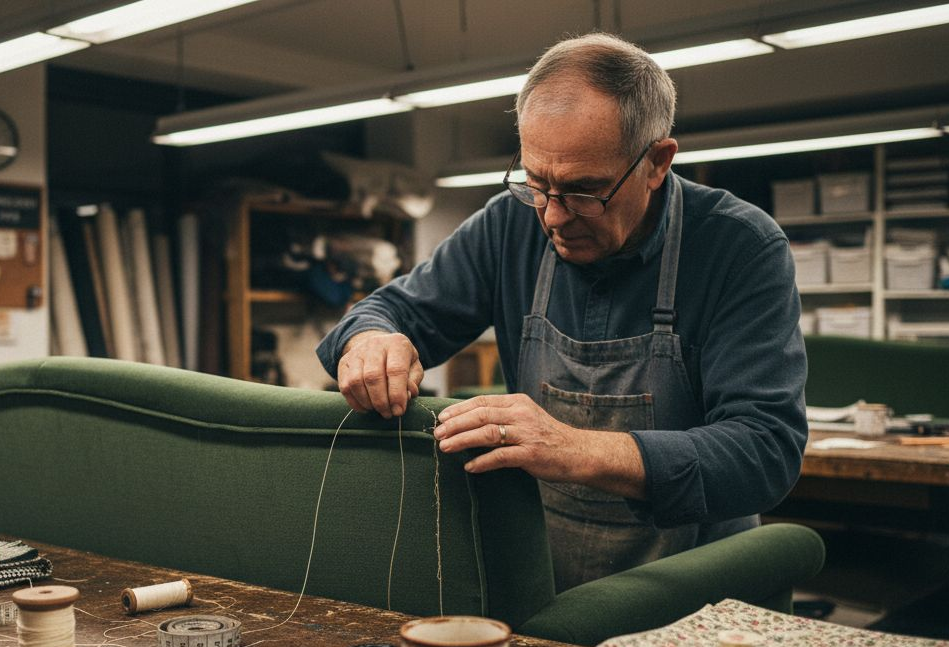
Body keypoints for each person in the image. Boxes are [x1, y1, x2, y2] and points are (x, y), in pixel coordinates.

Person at [316, 32, 808, 593]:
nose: (552, 216)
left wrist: (576, 448)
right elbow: (391, 310)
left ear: (657, 162)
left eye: (584, 191)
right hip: (542, 577)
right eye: (536, 183)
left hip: (694, 586)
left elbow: (765, 450)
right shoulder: (509, 224)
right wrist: (372, 339)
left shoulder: (740, 245)